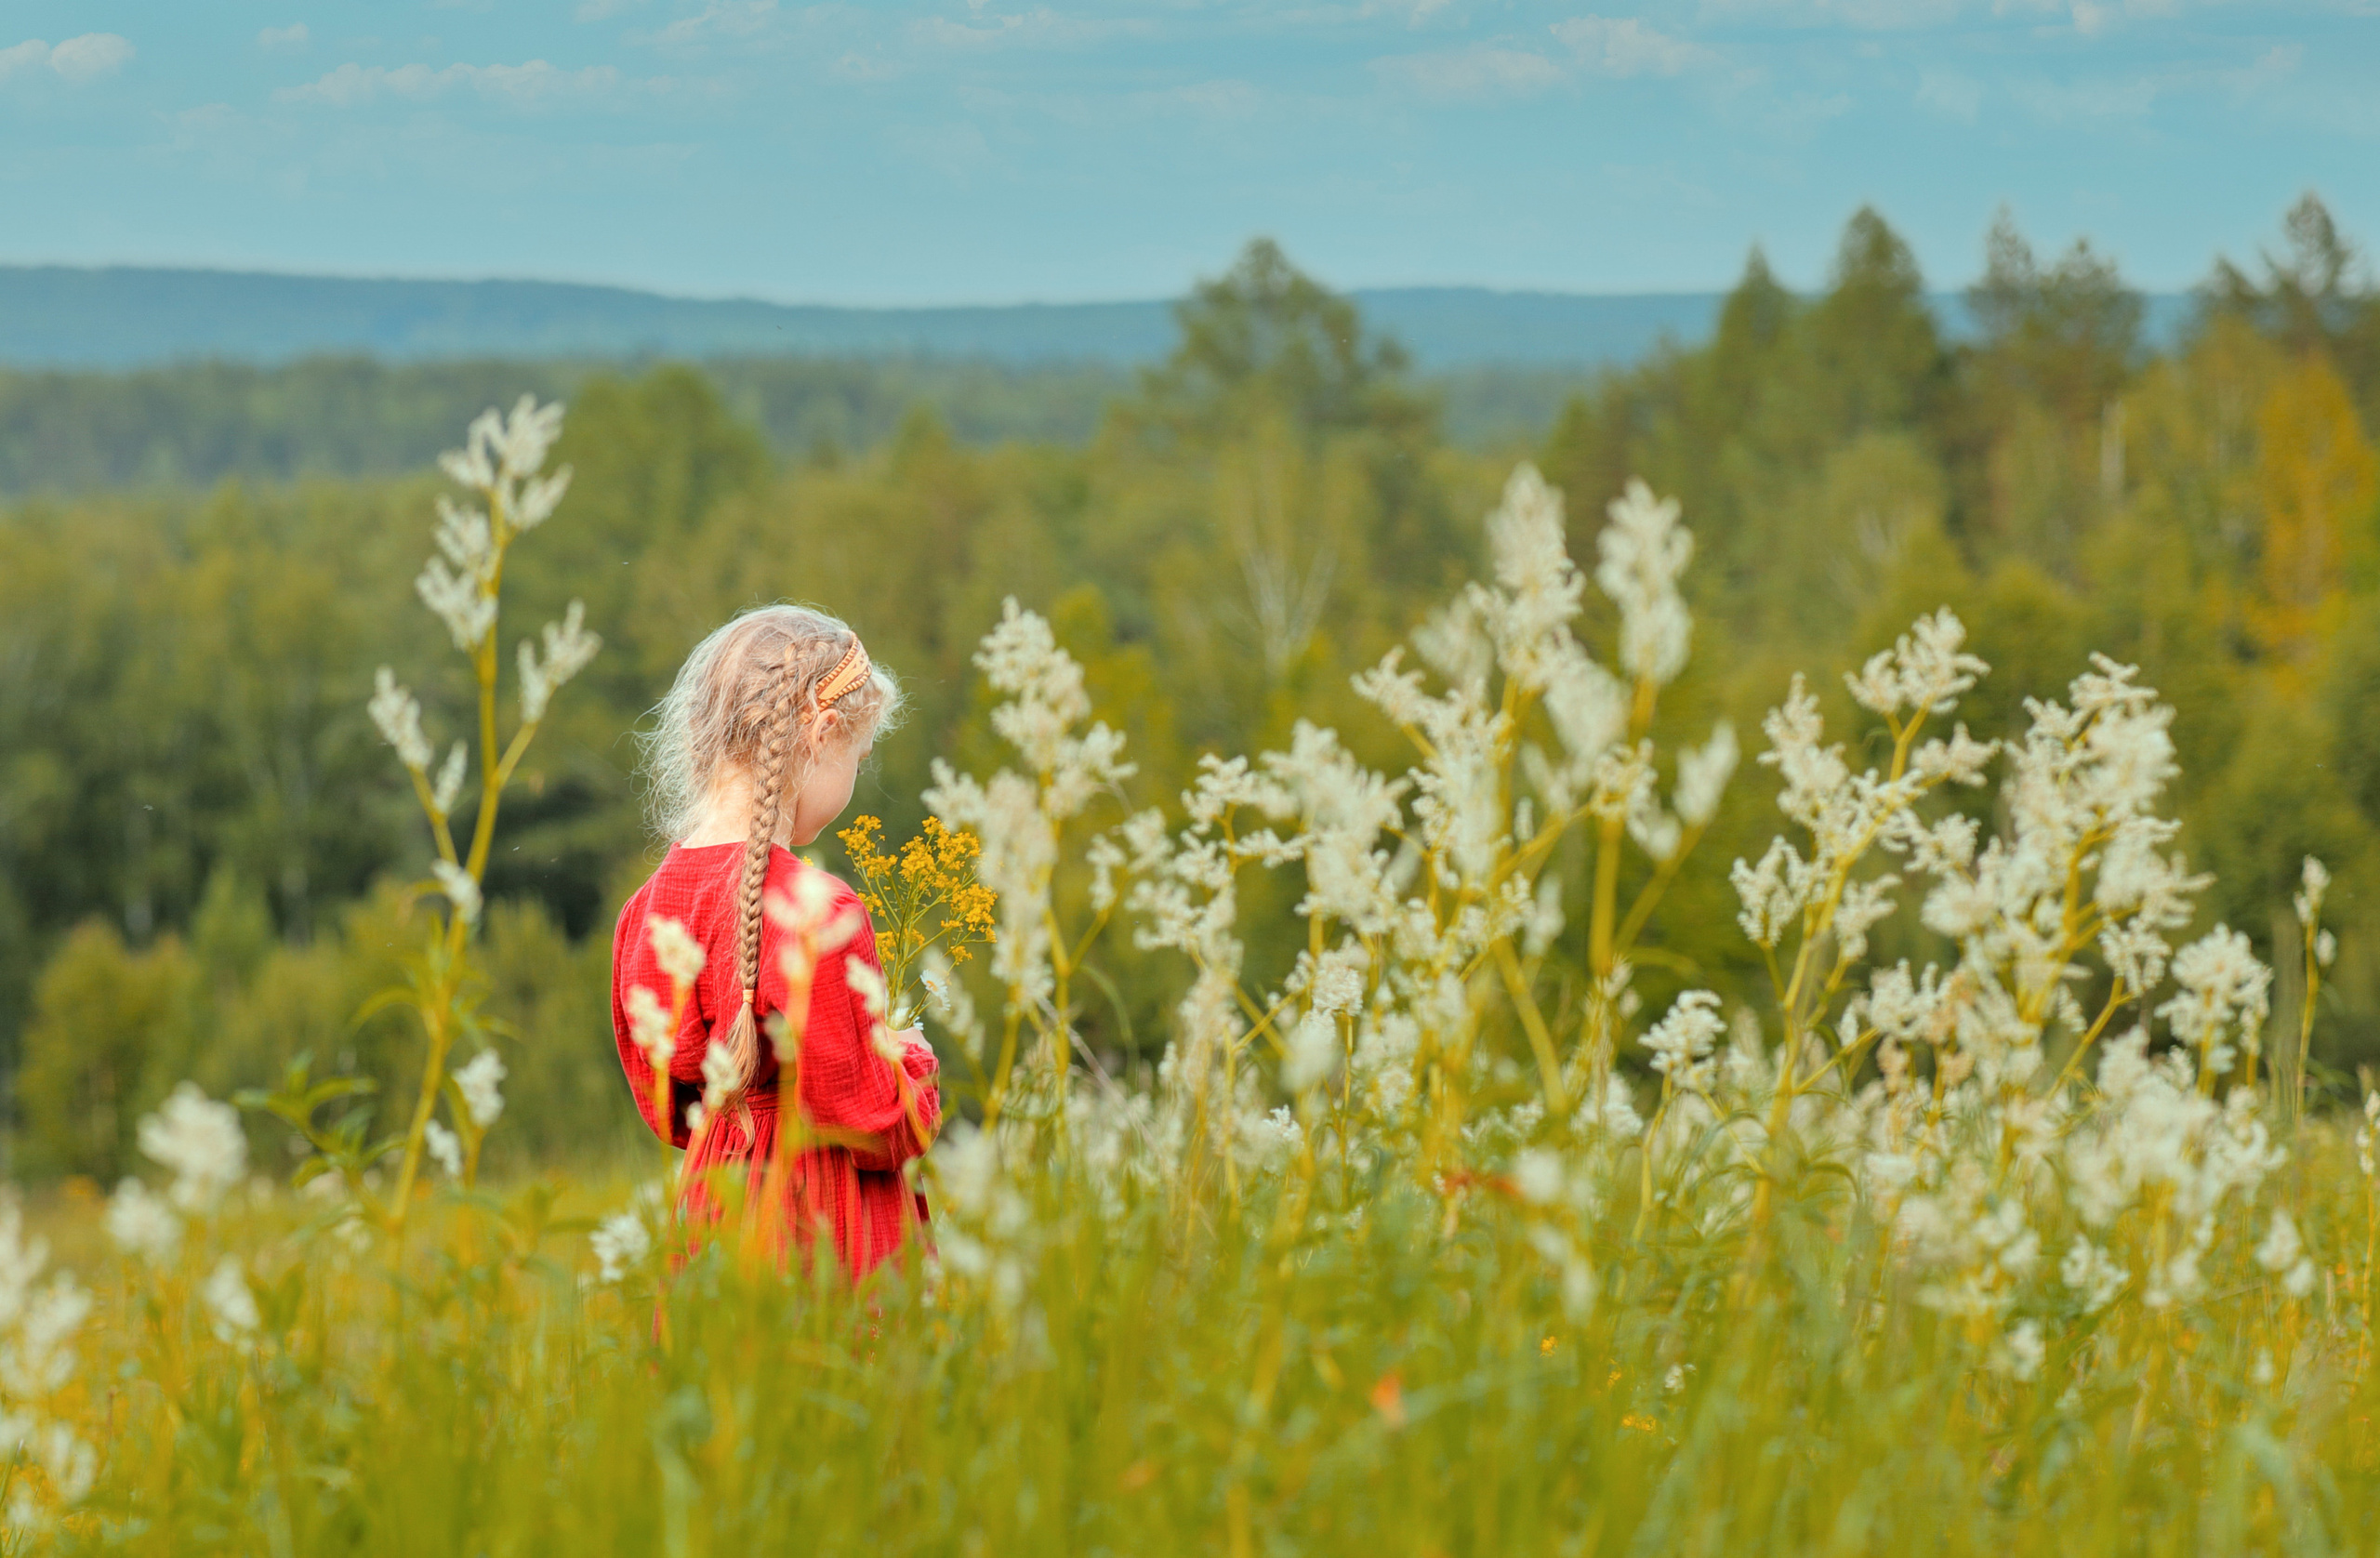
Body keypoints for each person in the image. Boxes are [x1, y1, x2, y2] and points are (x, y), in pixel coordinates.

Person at [611, 605, 940, 1277]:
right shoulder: (813, 911)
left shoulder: (644, 912)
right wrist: (912, 1066)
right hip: (818, 1221)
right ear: (821, 735)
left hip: (715, 1222)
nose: (854, 776)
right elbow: (873, 1122)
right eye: (859, 755)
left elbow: (671, 1113)